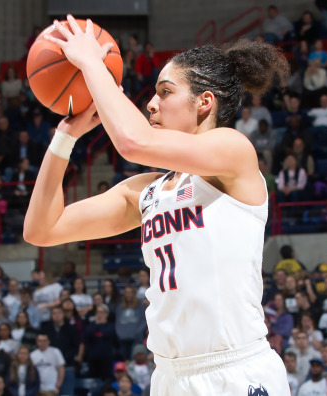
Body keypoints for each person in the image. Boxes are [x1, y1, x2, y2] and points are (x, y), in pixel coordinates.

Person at [28, 20, 290, 394]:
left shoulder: (234, 151)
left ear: (204, 102)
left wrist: (92, 64)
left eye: (165, 92)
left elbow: (134, 142)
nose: (151, 103)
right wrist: (64, 137)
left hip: (235, 371)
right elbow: (41, 228)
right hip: (169, 378)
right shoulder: (147, 191)